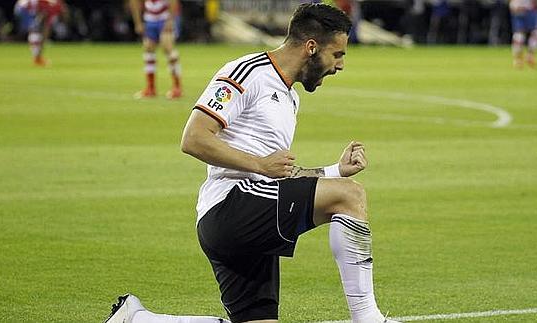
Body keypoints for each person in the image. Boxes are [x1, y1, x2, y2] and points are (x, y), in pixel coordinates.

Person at [105, 3, 400, 323]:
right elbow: (194, 138)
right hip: (231, 206)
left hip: (251, 211)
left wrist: (333, 171)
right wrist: (261, 165)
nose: (339, 65)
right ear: (312, 47)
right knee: (350, 195)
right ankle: (368, 318)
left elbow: (278, 173)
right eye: (337, 54)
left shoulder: (290, 97)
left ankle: (137, 319)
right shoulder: (248, 72)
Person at [130, 0, 183, 99]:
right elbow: (134, 3)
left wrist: (170, 20)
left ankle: (177, 87)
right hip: (150, 19)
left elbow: (173, 2)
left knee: (168, 48)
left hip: (164, 17)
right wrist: (138, 22)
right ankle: (150, 88)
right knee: (148, 49)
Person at [14, 0, 67, 66]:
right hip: (25, 8)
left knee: (37, 32)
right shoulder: (53, 6)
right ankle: (37, 58)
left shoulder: (53, 6)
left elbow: (46, 27)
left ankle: (38, 58)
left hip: (25, 7)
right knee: (35, 32)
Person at [509, 0, 537, 68]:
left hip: (526, 8)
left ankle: (528, 56)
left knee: (536, 33)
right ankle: (519, 58)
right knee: (520, 35)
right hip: (521, 8)